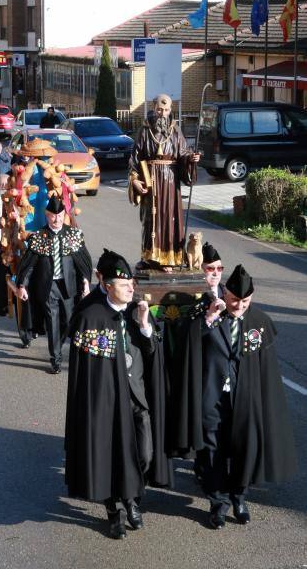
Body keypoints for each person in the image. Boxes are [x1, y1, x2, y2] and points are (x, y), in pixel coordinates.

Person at [172, 264, 297, 529]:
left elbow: (267, 370)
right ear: (225, 294)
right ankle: (218, 503)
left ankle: (239, 498)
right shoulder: (206, 314)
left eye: (245, 301)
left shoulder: (259, 322)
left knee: (243, 450)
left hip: (246, 400)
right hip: (212, 398)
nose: (239, 306)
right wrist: (207, 320)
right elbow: (186, 342)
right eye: (234, 300)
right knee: (212, 453)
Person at [65, 249, 171, 540]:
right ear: (107, 285)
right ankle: (116, 513)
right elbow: (86, 371)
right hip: (108, 403)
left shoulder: (138, 309)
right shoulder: (90, 315)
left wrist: (146, 326)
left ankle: (133, 497)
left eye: (132, 284)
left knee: (144, 454)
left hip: (137, 398)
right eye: (124, 285)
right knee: (110, 459)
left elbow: (151, 352)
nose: (131, 289)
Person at [16, 196, 92, 372]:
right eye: (52, 216)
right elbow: (29, 265)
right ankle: (55, 358)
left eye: (60, 215)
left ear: (64, 214)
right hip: (48, 287)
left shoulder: (74, 235)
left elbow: (83, 263)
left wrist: (86, 283)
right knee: (52, 323)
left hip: (69, 287)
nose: (56, 219)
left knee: (68, 322)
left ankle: (60, 343)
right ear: (47, 215)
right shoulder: (39, 237)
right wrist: (22, 285)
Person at [128, 93, 199, 270]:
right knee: (150, 218)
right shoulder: (144, 131)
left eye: (166, 110)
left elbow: (183, 153)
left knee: (170, 217)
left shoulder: (176, 130)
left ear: (170, 110)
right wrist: (134, 180)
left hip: (170, 180)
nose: (162, 113)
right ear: (154, 108)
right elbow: (135, 159)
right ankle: (149, 257)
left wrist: (191, 158)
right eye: (160, 109)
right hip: (150, 181)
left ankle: (169, 258)